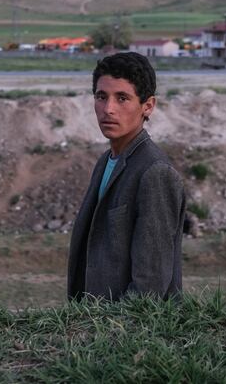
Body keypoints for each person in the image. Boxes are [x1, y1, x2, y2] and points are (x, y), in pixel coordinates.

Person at [67, 52, 186, 301]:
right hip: (94, 327)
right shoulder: (105, 162)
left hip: (129, 334)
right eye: (101, 97)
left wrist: (113, 332)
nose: (108, 109)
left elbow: (150, 284)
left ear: (148, 106)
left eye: (122, 98)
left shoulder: (155, 172)